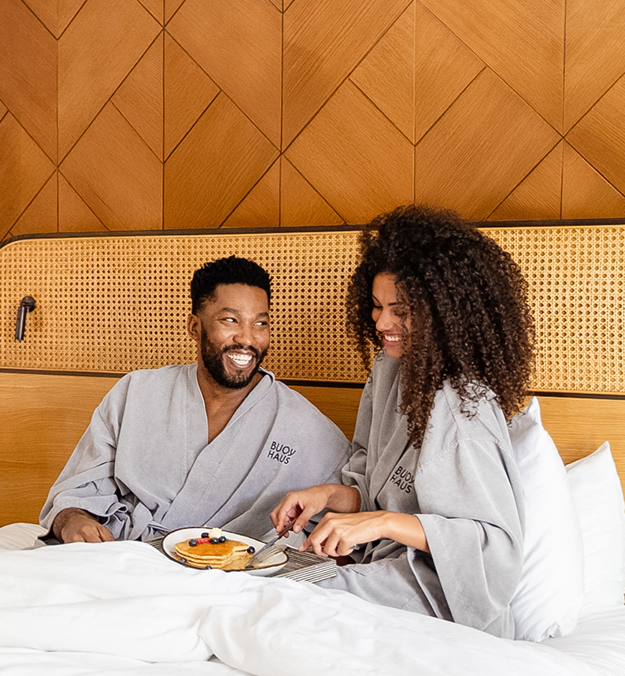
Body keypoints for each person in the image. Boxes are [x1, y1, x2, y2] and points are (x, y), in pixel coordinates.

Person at [272, 205, 535, 638]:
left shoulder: (463, 409)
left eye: (401, 310)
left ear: (445, 311)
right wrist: (328, 496)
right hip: (381, 564)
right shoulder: (390, 370)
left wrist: (380, 524)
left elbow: (495, 551)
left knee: (290, 602)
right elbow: (381, 488)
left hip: (442, 593)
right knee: (266, 572)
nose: (382, 323)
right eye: (376, 307)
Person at [40, 256, 350, 545]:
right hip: (125, 556)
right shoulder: (136, 393)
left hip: (231, 578)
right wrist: (72, 520)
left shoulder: (304, 426)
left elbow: (349, 513)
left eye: (260, 323)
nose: (247, 338)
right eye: (230, 320)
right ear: (194, 327)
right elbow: (75, 494)